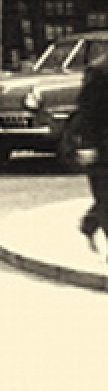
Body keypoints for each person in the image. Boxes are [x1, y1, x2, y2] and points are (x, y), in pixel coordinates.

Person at [77, 52, 108, 259]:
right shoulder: (99, 70)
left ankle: (90, 222)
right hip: (103, 148)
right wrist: (88, 144)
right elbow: (86, 111)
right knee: (106, 198)